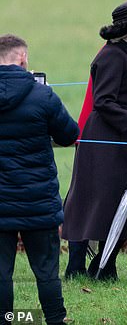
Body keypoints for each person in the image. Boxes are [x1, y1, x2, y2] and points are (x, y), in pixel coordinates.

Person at [62, 0, 127, 281]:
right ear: (125, 30)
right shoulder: (112, 56)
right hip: (107, 139)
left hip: (125, 137)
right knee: (97, 201)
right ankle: (80, 267)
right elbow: (103, 102)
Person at [0, 34, 79, 325]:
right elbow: (70, 134)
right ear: (22, 59)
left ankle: (7, 319)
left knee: (1, 274)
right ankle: (55, 320)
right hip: (38, 201)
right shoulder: (41, 94)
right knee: (46, 271)